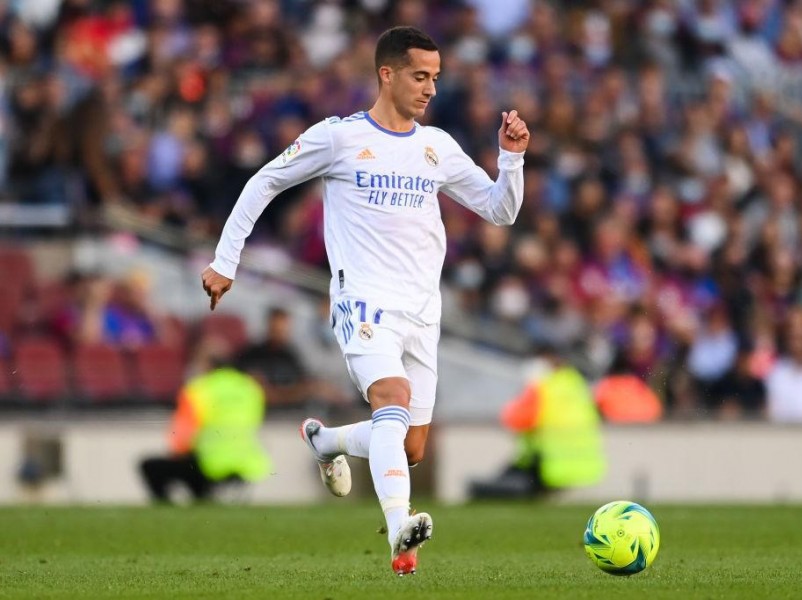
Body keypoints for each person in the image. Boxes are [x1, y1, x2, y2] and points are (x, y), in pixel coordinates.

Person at [200, 26, 530, 575]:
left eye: (436, 78)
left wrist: (511, 159)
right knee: (391, 398)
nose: (430, 89)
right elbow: (265, 181)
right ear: (387, 73)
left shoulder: (436, 147)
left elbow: (501, 211)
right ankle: (401, 529)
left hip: (423, 310)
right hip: (363, 303)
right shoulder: (340, 138)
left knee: (409, 446)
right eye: (420, 76)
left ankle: (326, 442)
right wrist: (225, 262)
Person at [469, 348, 605, 499]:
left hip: (549, 467)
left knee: (487, 490)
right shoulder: (577, 384)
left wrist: (525, 390)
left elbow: (513, 419)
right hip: (584, 468)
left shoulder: (542, 387)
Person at [139, 351, 272, 503]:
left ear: (207, 365)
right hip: (247, 463)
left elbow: (182, 437)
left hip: (209, 464)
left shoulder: (198, 389)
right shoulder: (250, 387)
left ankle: (169, 510)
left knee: (151, 466)